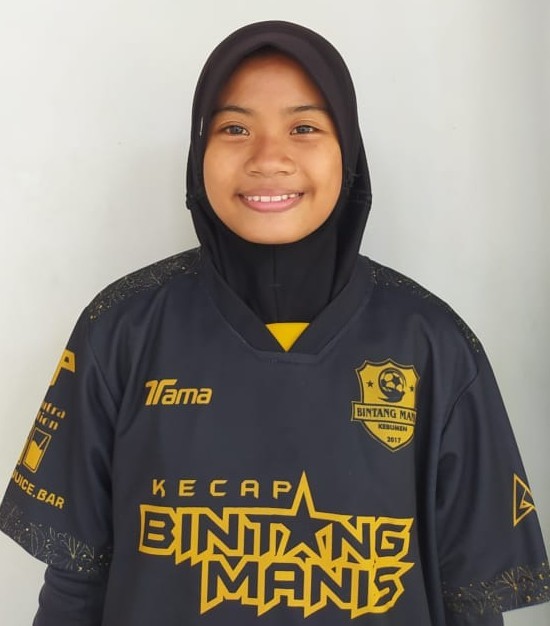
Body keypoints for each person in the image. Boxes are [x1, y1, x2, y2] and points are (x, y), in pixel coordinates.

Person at [0, 20, 548, 626]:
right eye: (235, 128)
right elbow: (75, 583)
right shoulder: (120, 331)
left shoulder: (433, 345)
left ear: (348, 152)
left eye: (304, 128)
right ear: (200, 152)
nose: (268, 159)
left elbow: (471, 602)